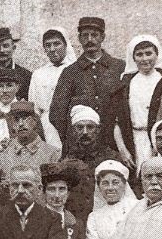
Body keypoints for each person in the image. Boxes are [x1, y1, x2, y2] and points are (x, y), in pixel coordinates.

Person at [49, 17, 126, 146]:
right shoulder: (70, 72)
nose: (90, 40)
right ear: (79, 38)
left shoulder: (119, 67)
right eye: (85, 35)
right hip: (81, 146)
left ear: (103, 37)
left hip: (114, 144)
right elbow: (57, 113)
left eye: (94, 35)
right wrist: (72, 140)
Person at [109, 34, 162, 172]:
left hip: (161, 142)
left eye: (148, 53)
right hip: (134, 140)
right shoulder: (125, 84)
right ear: (133, 58)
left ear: (157, 55)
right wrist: (123, 149)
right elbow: (116, 121)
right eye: (139, 54)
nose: (144, 59)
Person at [28, 26, 77, 151]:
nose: (52, 49)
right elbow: (34, 109)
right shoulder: (38, 74)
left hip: (72, 123)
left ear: (66, 45)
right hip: (47, 127)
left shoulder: (76, 70)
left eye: (57, 44)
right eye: (48, 45)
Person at [84, 160, 139, 239]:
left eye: (115, 182)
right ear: (99, 187)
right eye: (105, 183)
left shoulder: (138, 207)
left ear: (124, 184)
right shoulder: (94, 217)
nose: (110, 188)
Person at [0, 102, 61, 178]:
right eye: (16, 120)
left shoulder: (53, 155)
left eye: (25, 118)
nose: (21, 124)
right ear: (12, 125)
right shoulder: (3, 158)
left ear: (35, 121)